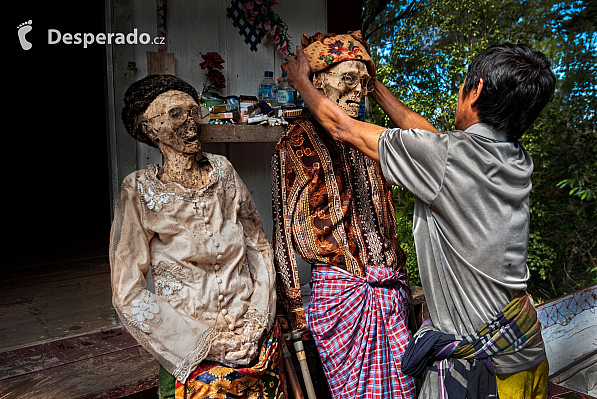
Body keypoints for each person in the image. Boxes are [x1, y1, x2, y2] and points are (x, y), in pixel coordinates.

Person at [285, 43, 556, 398]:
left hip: (488, 374)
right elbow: (429, 139)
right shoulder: (513, 158)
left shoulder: (447, 159)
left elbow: (343, 128)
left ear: (475, 91)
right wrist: (375, 87)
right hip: (527, 354)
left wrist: (301, 82)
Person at [111, 74, 284, 399]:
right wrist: (205, 343)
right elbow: (127, 291)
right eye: (176, 113)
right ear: (149, 128)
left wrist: (257, 321)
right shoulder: (138, 191)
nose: (192, 122)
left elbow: (259, 248)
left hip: (254, 341)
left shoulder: (224, 172)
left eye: (194, 111)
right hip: (191, 350)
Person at [272, 31, 415, 399]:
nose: (358, 91)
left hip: (390, 290)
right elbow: (283, 232)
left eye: (365, 83)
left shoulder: (372, 139)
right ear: (318, 82)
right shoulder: (297, 140)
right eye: (347, 79)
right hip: (342, 297)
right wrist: (292, 309)